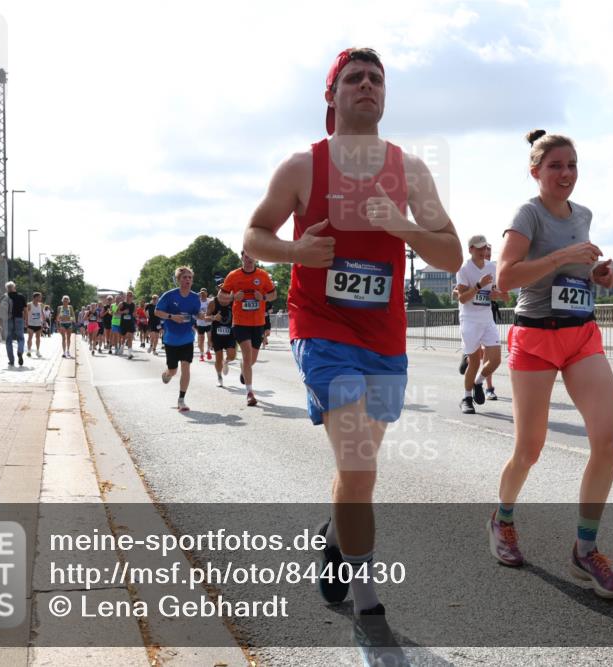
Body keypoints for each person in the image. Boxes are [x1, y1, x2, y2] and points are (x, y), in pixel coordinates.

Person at [242, 47, 461, 653]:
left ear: (384, 96)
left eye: (376, 79)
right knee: (360, 465)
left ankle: (336, 536)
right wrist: (296, 254)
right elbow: (254, 236)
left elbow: (448, 253)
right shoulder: (301, 167)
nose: (366, 86)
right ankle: (370, 605)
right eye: (354, 79)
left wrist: (405, 228)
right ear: (332, 96)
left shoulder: (410, 170)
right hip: (322, 330)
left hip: (385, 340)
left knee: (357, 473)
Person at [491, 130, 613, 598]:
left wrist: (598, 274)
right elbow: (505, 278)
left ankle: (584, 550)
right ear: (536, 172)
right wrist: (566, 255)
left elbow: (578, 274)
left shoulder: (583, 215)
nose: (566, 173)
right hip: (535, 336)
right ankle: (503, 519)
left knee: (608, 440)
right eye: (555, 166)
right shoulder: (527, 214)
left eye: (572, 165)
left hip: (581, 333)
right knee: (529, 448)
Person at [454, 235, 507, 413]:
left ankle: (478, 383)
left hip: (487, 319)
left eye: (485, 248)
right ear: (470, 249)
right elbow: (462, 298)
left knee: (496, 359)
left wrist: (497, 294)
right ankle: (467, 397)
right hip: (469, 320)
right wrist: (478, 285)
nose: (483, 251)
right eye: (479, 248)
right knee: (474, 362)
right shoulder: (464, 269)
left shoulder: (492, 267)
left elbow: (500, 293)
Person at [220, 252, 277, 407]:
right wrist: (233, 298)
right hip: (240, 322)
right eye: (246, 256)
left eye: (252, 256)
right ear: (242, 258)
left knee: (252, 360)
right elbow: (221, 297)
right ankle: (249, 393)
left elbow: (273, 295)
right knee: (246, 355)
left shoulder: (263, 275)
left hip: (258, 322)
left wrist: (263, 298)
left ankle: (244, 370)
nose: (249, 259)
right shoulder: (233, 275)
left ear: (256, 258)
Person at [155, 267, 200, 412]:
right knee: (173, 371)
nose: (187, 280)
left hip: (187, 338)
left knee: (186, 367)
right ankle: (167, 374)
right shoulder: (169, 296)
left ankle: (181, 400)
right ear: (178, 280)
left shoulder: (195, 297)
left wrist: (202, 316)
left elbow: (196, 313)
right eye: (184, 277)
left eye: (189, 278)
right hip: (171, 339)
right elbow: (157, 311)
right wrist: (171, 316)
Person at [207, 287, 237, 387]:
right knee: (218, 358)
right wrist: (213, 317)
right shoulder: (213, 303)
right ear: (218, 296)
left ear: (230, 298)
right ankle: (219, 376)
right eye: (221, 298)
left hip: (230, 334)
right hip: (216, 334)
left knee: (232, 356)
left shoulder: (234, 303)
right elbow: (206, 318)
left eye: (226, 299)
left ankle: (226, 362)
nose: (224, 301)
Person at [4, 282, 27, 367]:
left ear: (7, 289)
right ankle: (20, 351)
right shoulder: (21, 296)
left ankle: (11, 360)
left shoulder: (5, 297)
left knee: (8, 340)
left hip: (8, 320)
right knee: (20, 338)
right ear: (14, 287)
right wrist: (25, 320)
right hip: (19, 319)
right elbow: (25, 309)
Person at [25, 292, 46, 357]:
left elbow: (42, 313)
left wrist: (44, 321)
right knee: (30, 337)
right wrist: (26, 321)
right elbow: (25, 313)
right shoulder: (29, 304)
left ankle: (37, 351)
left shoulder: (41, 305)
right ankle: (29, 351)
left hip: (38, 324)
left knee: (38, 338)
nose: (40, 298)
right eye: (39, 297)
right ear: (35, 297)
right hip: (30, 324)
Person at [195, 288, 213, 362]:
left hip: (208, 323)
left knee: (210, 339)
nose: (203, 295)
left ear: (207, 293)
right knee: (200, 341)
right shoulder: (197, 301)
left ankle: (208, 351)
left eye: (204, 293)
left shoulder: (210, 301)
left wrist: (210, 316)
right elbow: (194, 312)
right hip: (200, 324)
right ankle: (202, 354)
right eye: (201, 293)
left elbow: (213, 310)